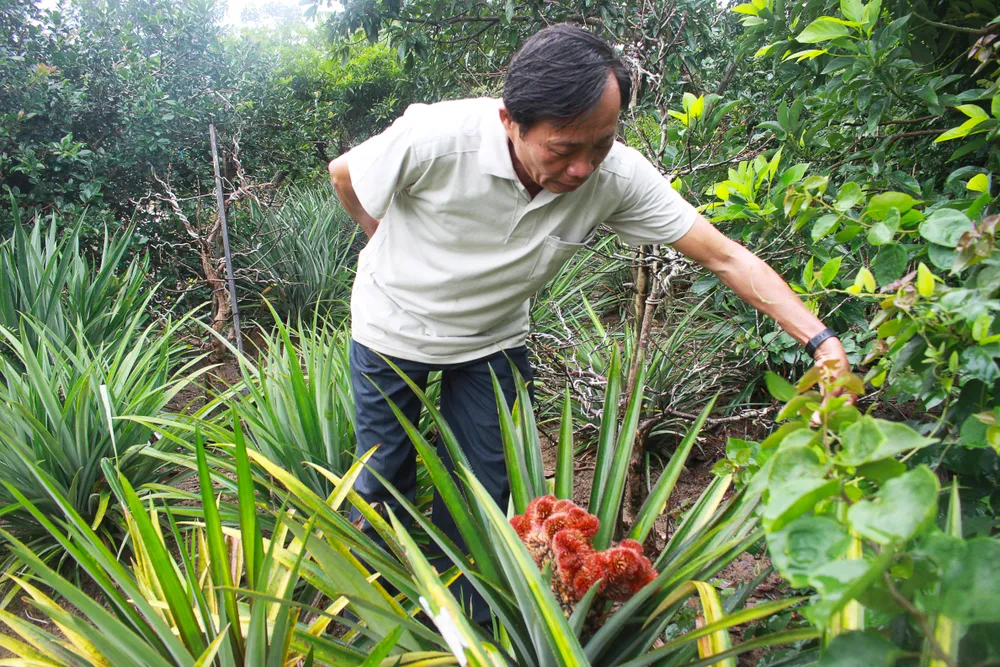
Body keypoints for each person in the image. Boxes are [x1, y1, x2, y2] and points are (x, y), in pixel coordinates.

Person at [328, 23, 850, 622]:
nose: (582, 169)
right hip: (391, 331)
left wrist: (820, 339)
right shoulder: (437, 137)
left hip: (491, 341)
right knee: (379, 489)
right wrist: (385, 245)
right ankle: (371, 620)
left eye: (599, 145)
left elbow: (724, 255)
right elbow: (347, 174)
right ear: (509, 122)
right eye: (563, 149)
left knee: (486, 500)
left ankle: (465, 633)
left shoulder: (615, 175)